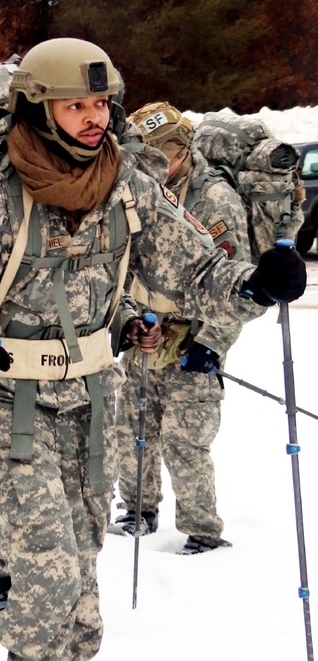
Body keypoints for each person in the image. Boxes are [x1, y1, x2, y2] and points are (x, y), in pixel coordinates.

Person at [0, 37, 306, 661]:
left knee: (83, 563)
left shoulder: (128, 186)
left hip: (94, 399)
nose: (93, 119)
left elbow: (195, 269)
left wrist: (255, 283)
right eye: (76, 105)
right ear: (38, 108)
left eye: (99, 104)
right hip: (14, 402)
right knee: (47, 554)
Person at [113, 101, 251, 552]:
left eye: (166, 155)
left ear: (185, 149)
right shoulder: (139, 193)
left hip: (195, 336)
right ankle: (137, 509)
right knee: (134, 429)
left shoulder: (214, 199)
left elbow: (237, 286)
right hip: (145, 333)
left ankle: (202, 530)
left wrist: (210, 344)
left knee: (185, 438)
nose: (157, 166)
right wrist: (130, 318)